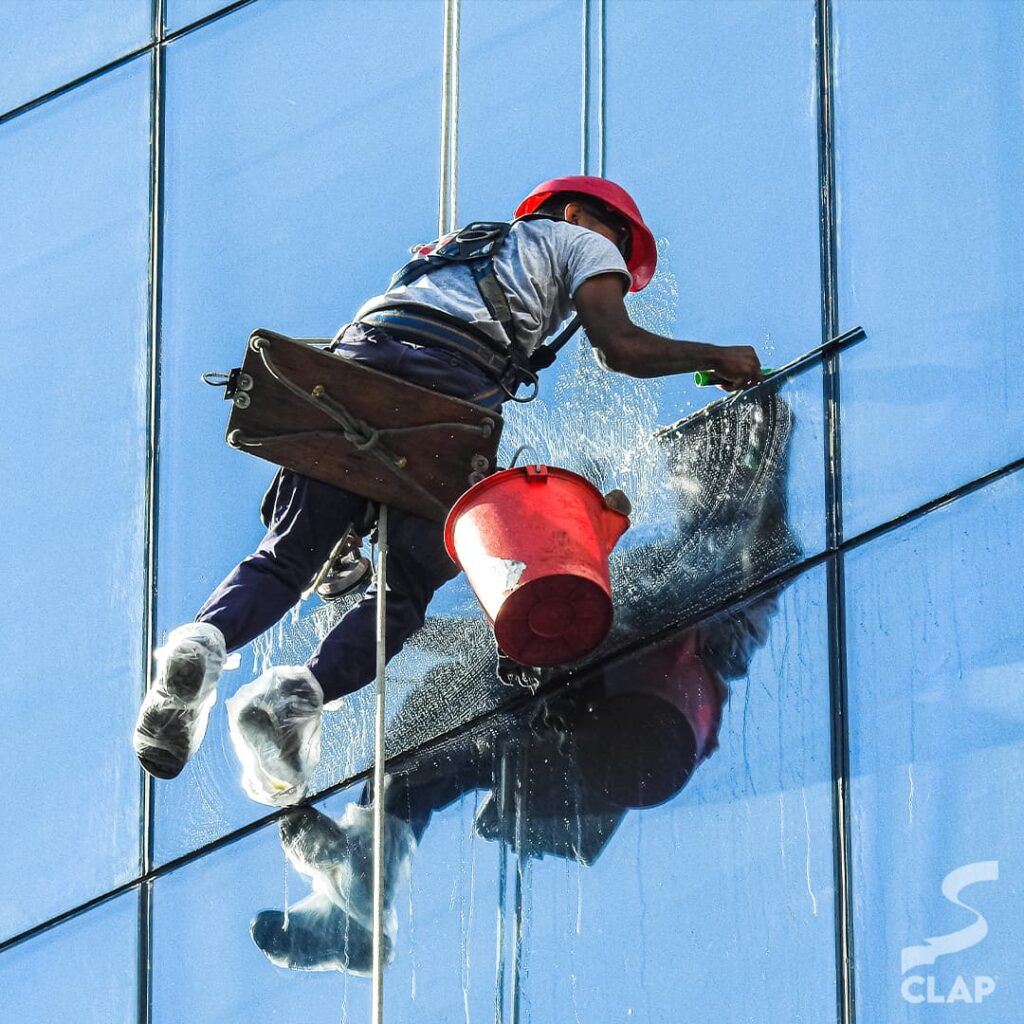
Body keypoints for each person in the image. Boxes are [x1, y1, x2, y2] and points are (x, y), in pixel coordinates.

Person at [132, 175, 764, 806]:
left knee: (289, 553)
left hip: (350, 372)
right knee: (401, 595)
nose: (616, 269)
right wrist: (721, 356)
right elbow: (620, 348)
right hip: (449, 391)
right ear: (575, 213)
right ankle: (294, 701)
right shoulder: (577, 240)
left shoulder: (457, 247)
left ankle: (197, 650)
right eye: (617, 247)